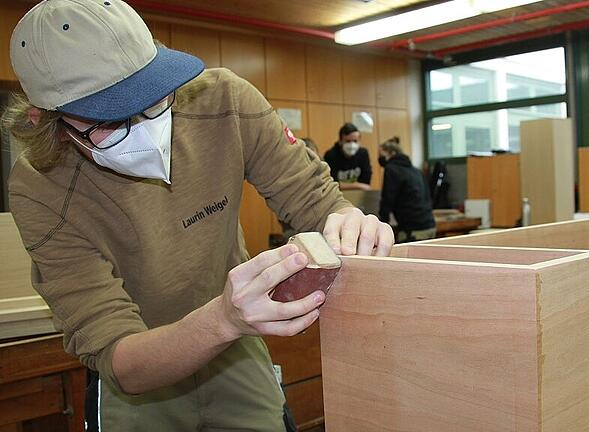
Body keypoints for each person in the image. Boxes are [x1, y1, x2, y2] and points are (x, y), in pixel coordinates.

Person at [1, 1, 393, 431]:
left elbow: (313, 199)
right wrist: (222, 318)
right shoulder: (39, 185)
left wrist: (345, 219)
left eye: (153, 98)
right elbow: (116, 352)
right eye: (109, 120)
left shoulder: (223, 99)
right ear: (45, 120)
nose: (148, 128)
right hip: (143, 367)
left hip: (237, 348)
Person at [378, 136, 436, 242]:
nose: (379, 158)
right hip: (429, 225)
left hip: (412, 229)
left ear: (391, 153)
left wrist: (382, 225)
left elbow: (387, 199)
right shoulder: (416, 171)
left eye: (381, 154)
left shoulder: (391, 169)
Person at [323, 122, 372, 191]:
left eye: (355, 141)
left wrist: (344, 185)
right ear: (340, 141)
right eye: (348, 141)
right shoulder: (331, 155)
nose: (352, 145)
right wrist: (358, 185)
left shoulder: (363, 154)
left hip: (358, 195)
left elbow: (366, 181)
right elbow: (331, 184)